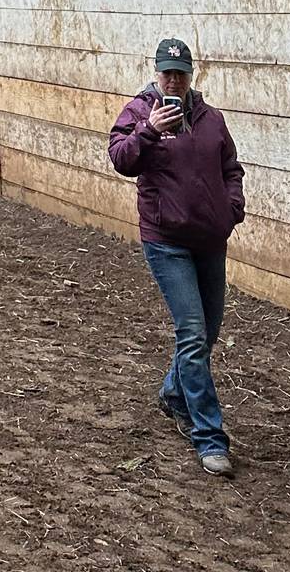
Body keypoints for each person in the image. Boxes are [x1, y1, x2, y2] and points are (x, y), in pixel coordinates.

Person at [107, 38, 246, 477]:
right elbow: (121, 159)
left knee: (206, 334)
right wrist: (148, 129)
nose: (174, 80)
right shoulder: (138, 113)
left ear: (191, 74)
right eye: (167, 72)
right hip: (166, 240)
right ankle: (209, 436)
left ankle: (173, 392)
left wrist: (232, 207)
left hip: (209, 238)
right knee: (191, 331)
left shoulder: (211, 119)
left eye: (180, 73)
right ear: (156, 71)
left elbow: (231, 168)